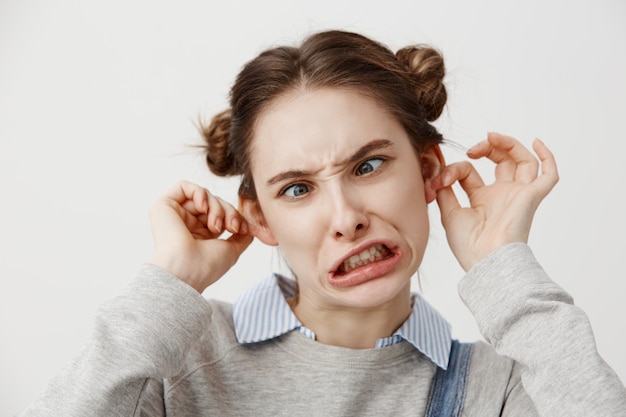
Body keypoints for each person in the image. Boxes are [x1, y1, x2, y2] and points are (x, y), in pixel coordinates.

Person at [20, 30, 626, 417]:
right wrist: (166, 285)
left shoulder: (495, 390)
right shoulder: (173, 360)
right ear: (261, 217)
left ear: (427, 169)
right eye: (299, 188)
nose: (346, 219)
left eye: (368, 165)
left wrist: (504, 268)